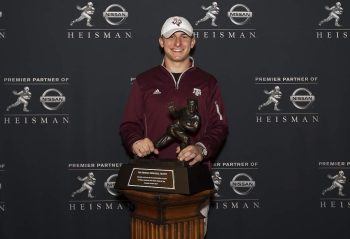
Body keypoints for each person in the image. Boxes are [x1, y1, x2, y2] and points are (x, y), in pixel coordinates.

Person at [120, 16, 228, 234]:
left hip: (193, 180)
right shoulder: (144, 81)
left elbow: (219, 126)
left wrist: (200, 148)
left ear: (193, 41)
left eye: (184, 36)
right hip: (152, 180)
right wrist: (135, 142)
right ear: (161, 42)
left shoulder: (208, 82)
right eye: (171, 36)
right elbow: (129, 124)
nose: (177, 42)